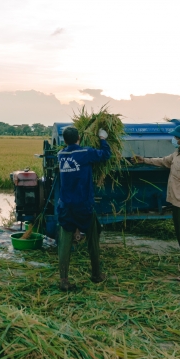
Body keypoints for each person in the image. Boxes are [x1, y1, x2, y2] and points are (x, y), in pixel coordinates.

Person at [134, 124, 180, 282]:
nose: (174, 139)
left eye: (177, 137)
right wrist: (144, 160)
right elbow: (163, 161)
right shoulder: (177, 155)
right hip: (177, 202)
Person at [55, 125, 112, 291]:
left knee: (64, 242)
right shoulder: (85, 153)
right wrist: (103, 139)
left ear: (64, 140)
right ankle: (96, 274)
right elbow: (105, 155)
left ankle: (63, 280)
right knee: (93, 238)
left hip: (65, 205)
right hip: (83, 205)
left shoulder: (60, 154)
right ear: (79, 138)